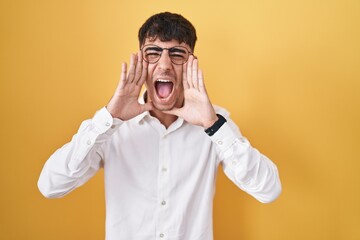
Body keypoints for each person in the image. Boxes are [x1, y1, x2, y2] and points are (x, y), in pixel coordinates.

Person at [38, 12, 281, 240]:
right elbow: (50, 186)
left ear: (191, 63)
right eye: (153, 52)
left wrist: (212, 125)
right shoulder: (110, 126)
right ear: (141, 62)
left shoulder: (215, 121)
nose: (164, 65)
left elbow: (269, 190)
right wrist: (110, 117)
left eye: (177, 54)